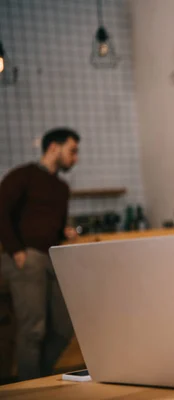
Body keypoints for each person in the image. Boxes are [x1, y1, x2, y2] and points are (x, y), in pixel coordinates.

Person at [0, 128, 80, 381]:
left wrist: (64, 232)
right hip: (26, 258)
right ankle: (27, 390)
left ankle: (40, 379)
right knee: (33, 330)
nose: (75, 157)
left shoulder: (61, 188)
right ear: (53, 147)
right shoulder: (23, 176)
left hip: (52, 258)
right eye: (72, 150)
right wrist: (15, 250)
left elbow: (52, 226)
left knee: (64, 327)